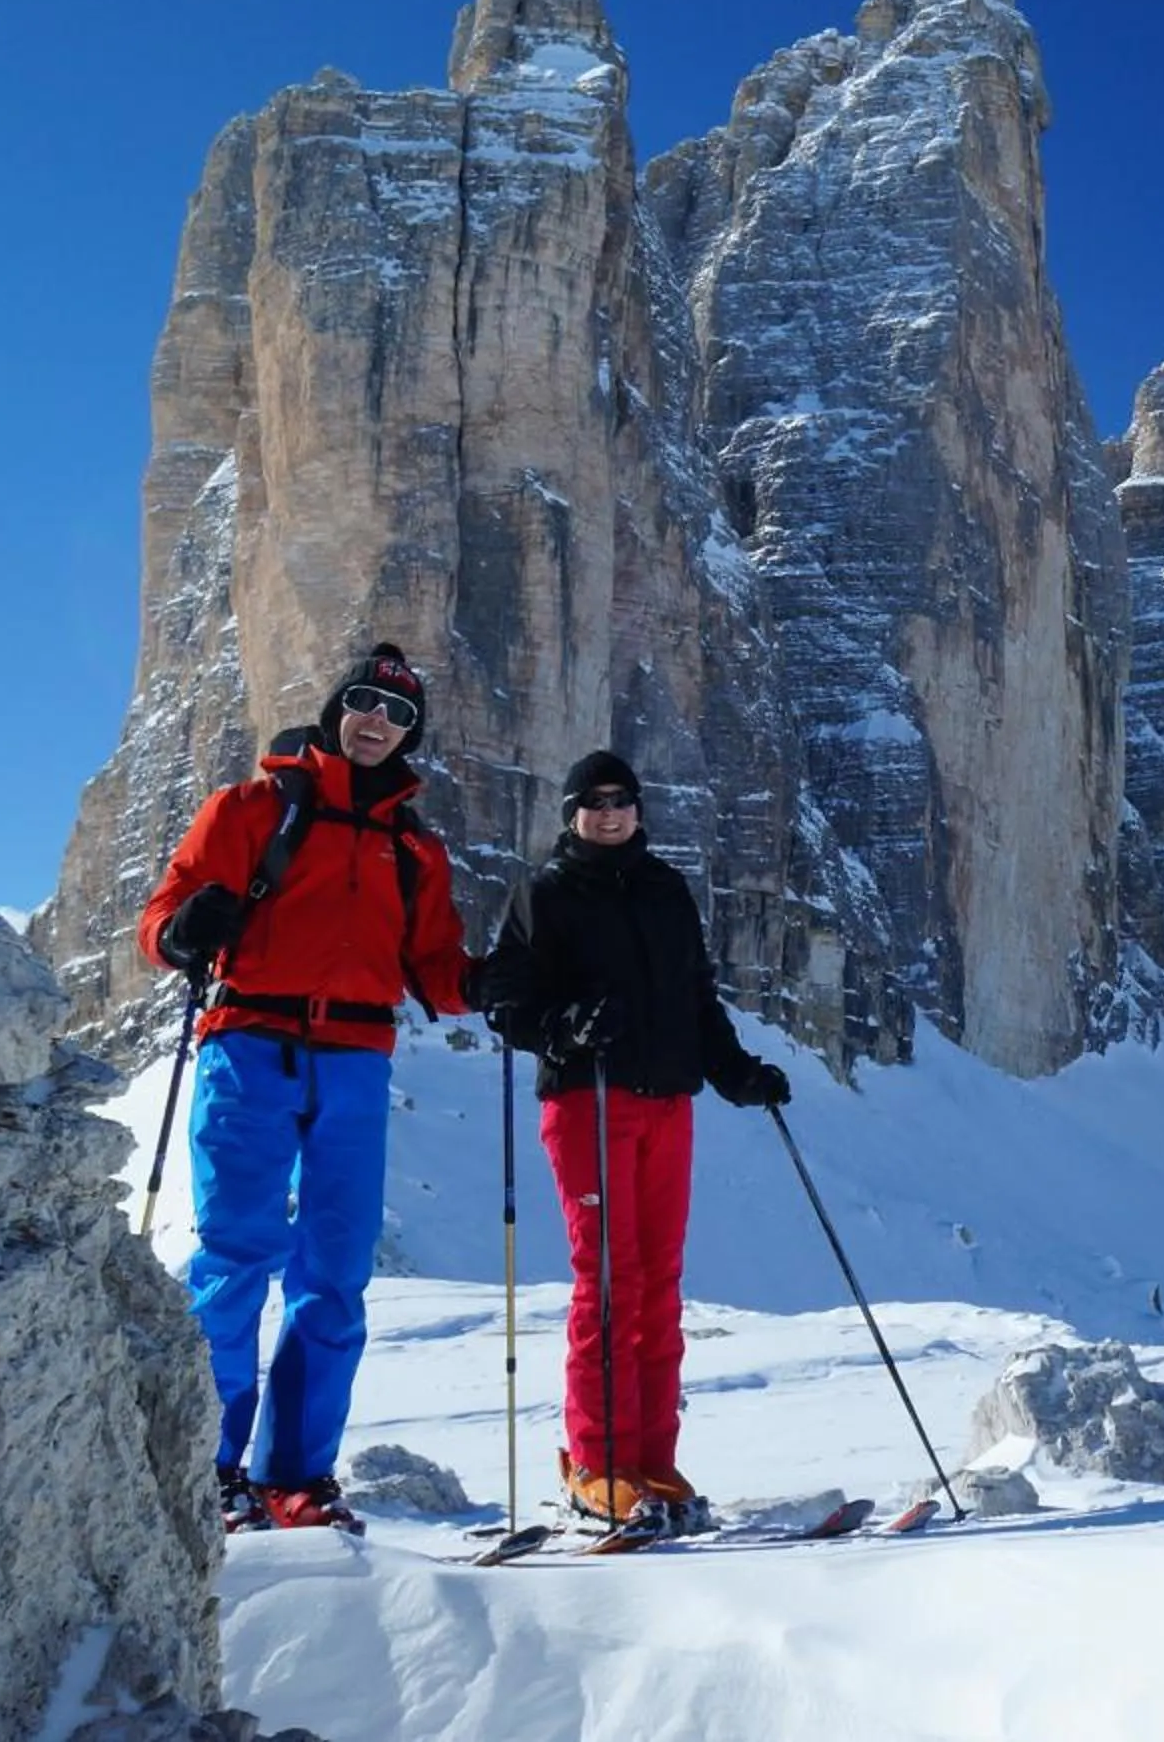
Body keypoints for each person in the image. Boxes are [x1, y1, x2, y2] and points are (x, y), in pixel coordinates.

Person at [141, 641, 475, 1530]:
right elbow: (164, 915)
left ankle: (295, 1474)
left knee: (334, 1272)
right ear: (337, 708)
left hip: (357, 1061)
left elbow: (435, 968)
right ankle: (205, 1463)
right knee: (237, 1256)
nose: (378, 723)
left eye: (399, 715)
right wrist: (182, 934)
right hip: (250, 1044)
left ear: (409, 738)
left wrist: (492, 983)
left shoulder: (416, 847)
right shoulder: (251, 808)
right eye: (367, 703)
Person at [474, 749, 794, 1535]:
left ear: (639, 810)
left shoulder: (665, 892)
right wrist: (564, 1028)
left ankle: (652, 1461)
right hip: (589, 1102)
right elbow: (504, 1001)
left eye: (622, 800)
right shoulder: (543, 895)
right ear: (572, 814)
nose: (610, 813)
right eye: (594, 802)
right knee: (609, 1282)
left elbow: (695, 999)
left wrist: (735, 1072)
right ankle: (596, 1464)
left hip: (664, 1104)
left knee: (658, 1284)